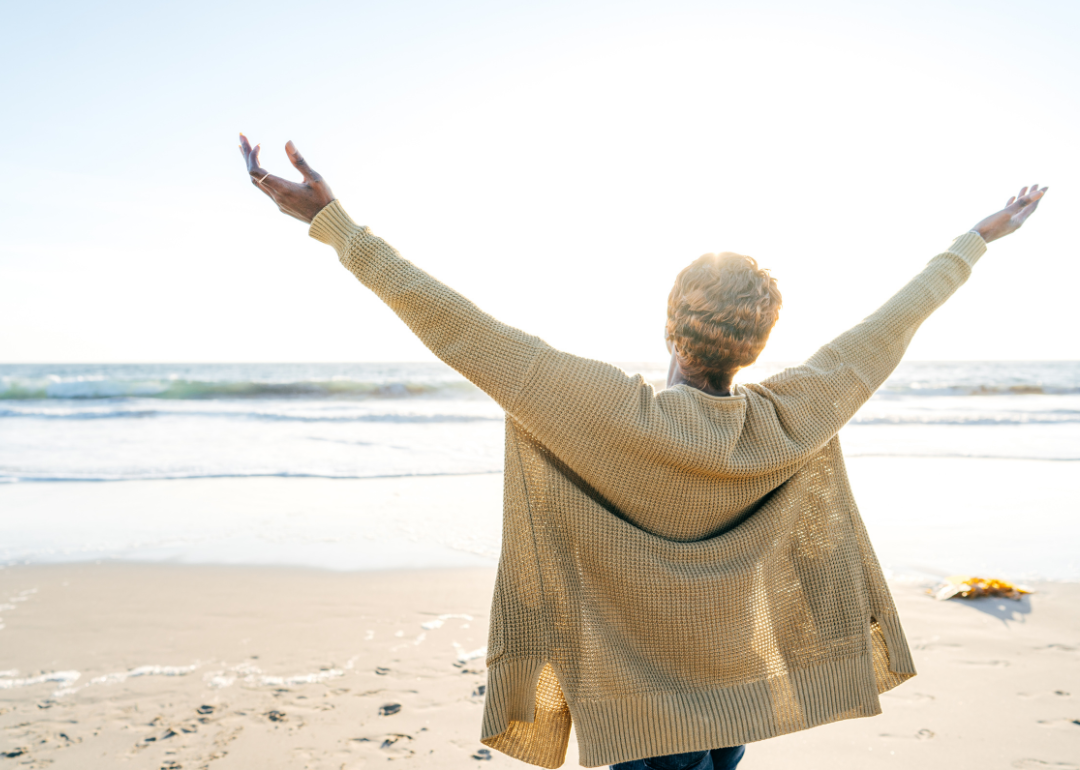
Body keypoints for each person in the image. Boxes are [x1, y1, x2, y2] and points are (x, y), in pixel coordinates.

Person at [237, 134, 1046, 770]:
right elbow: (889, 327)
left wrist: (331, 222)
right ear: (761, 344)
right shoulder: (791, 418)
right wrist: (976, 240)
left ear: (671, 323)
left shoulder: (603, 412)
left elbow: (451, 322)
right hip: (734, 692)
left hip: (634, 707)